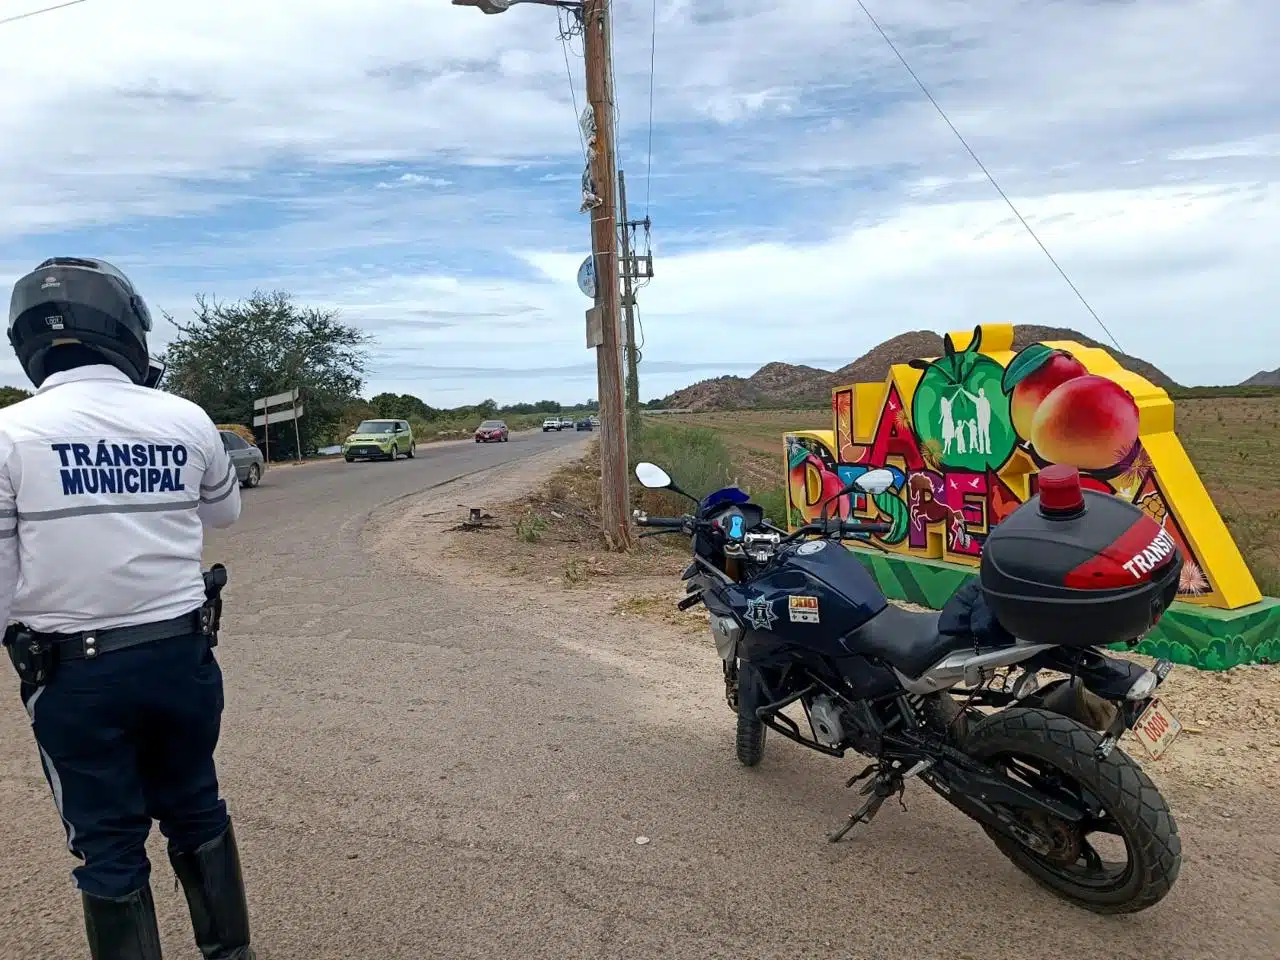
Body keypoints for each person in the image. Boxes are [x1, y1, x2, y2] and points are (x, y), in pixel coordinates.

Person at [1, 258, 254, 959]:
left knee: (108, 848)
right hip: (181, 657)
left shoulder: (11, 433)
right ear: (125, 327)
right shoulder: (186, 419)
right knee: (197, 809)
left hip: (74, 674)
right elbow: (225, 514)